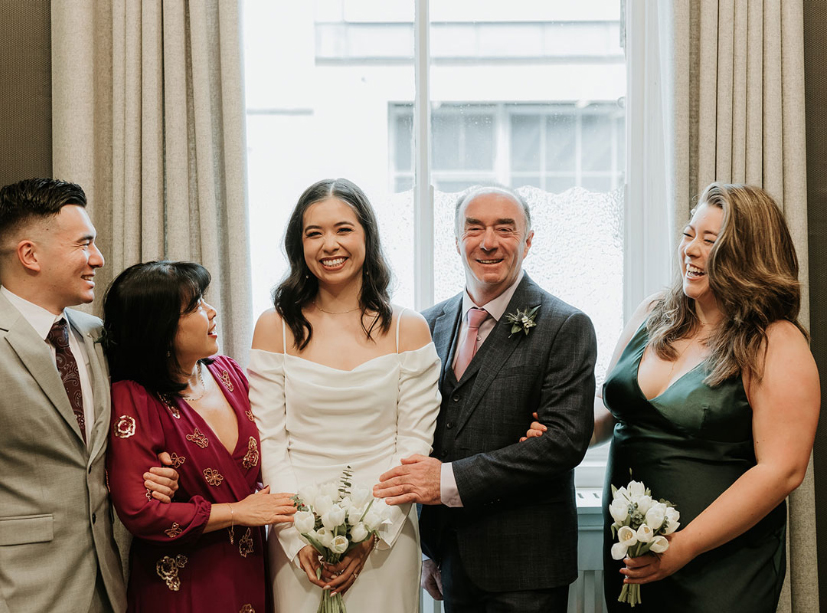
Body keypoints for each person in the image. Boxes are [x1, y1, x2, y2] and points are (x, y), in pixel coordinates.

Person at [0, 178, 178, 613]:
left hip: (105, 592)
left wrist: (150, 472)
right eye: (84, 244)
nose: (98, 258)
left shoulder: (93, 336)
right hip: (16, 598)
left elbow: (101, 453)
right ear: (30, 255)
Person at [586, 183, 817, 612]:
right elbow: (610, 411)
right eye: (688, 234)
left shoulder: (775, 342)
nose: (690, 249)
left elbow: (781, 471)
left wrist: (686, 546)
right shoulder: (654, 312)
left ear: (747, 255)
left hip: (718, 566)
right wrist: (560, 431)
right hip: (634, 553)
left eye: (709, 241)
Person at [373, 185, 598, 613]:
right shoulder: (428, 324)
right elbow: (421, 433)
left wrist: (446, 481)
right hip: (451, 558)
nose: (488, 241)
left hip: (526, 566)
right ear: (457, 240)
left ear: (528, 241)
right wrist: (428, 550)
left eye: (505, 229)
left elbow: (563, 442)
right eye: (474, 228)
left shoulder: (565, 325)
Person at [248, 178, 441, 612]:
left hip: (386, 533)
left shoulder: (407, 330)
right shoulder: (273, 327)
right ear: (298, 245)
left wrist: (369, 534)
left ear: (367, 237)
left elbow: (413, 445)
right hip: (295, 535)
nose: (329, 245)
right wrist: (299, 536)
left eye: (343, 229)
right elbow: (269, 441)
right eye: (313, 233)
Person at [102, 261, 297, 612]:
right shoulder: (133, 398)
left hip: (250, 570)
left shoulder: (228, 373)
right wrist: (237, 512)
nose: (210, 311)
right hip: (182, 584)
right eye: (194, 306)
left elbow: (276, 449)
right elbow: (141, 511)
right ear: (158, 328)